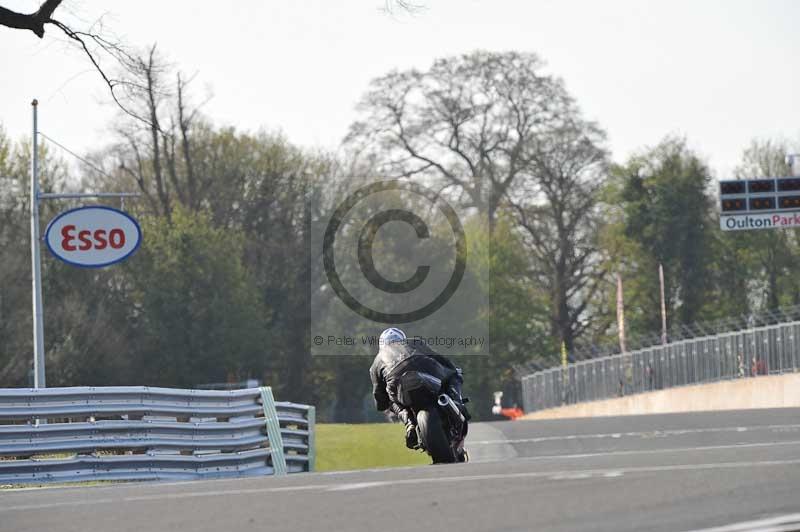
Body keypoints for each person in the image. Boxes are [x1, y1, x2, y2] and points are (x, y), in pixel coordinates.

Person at [369, 327, 469, 449]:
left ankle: (409, 423)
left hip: (396, 382)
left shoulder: (376, 361)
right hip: (425, 368)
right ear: (403, 339)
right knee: (454, 375)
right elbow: (441, 359)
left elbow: (380, 401)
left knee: (390, 401)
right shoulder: (415, 342)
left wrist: (388, 403)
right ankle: (457, 402)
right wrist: (454, 371)